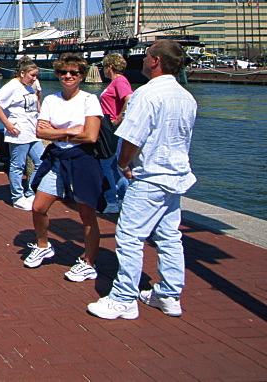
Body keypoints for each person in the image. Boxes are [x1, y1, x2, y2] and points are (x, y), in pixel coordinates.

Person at [88, 40, 197, 320]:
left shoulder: (146, 95)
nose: (144, 60)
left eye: (147, 56)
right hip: (176, 176)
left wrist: (123, 165)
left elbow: (132, 139)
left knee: (129, 237)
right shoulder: (187, 97)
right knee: (170, 237)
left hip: (149, 177)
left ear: (156, 61)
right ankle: (169, 294)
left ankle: (124, 297)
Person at [25, 53, 105, 283]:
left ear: (82, 75)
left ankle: (89, 261)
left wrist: (57, 132)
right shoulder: (51, 100)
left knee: (87, 213)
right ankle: (43, 245)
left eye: (74, 72)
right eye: (63, 72)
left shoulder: (90, 100)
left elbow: (91, 136)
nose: (68, 76)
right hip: (57, 158)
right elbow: (40, 133)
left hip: (82, 160)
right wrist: (71, 132)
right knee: (39, 207)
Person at [0, 60, 44, 210]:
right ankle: (17, 197)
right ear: (22, 73)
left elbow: (37, 102)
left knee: (42, 161)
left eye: (36, 76)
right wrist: (7, 123)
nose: (34, 78)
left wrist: (41, 116)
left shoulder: (31, 86)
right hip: (19, 132)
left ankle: (31, 191)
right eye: (32, 75)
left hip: (33, 131)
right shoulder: (13, 86)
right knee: (17, 165)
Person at [97, 53, 133, 213]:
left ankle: (112, 200)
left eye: (104, 67)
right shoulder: (116, 82)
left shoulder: (120, 81)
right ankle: (123, 199)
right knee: (114, 165)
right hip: (108, 127)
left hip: (112, 129)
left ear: (109, 67)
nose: (103, 70)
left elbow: (129, 99)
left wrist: (118, 119)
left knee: (106, 164)